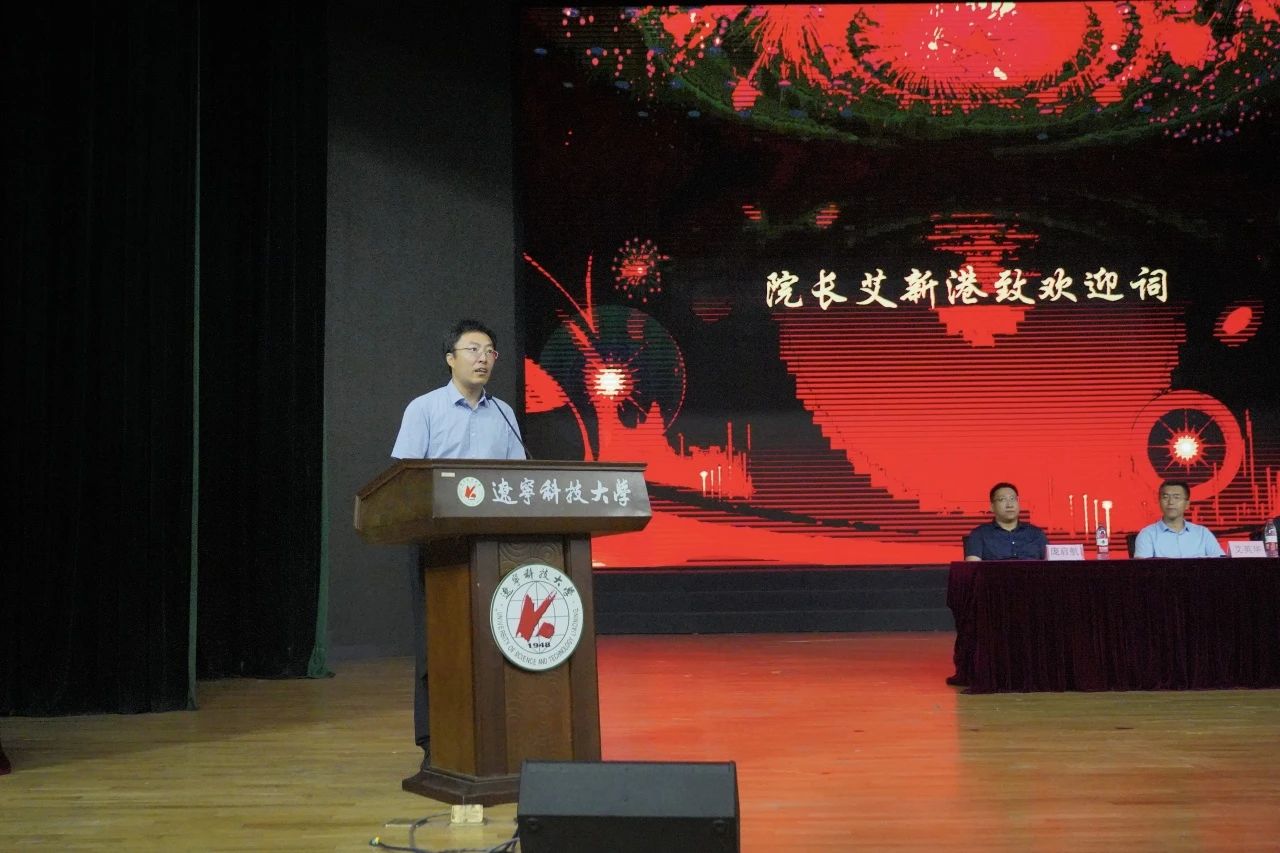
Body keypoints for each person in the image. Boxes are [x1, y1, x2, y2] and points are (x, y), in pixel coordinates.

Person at [391, 319, 526, 774]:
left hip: (492, 548)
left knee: (492, 644)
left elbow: (520, 480)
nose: (483, 358)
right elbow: (405, 482)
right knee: (438, 646)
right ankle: (435, 744)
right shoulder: (424, 409)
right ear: (450, 358)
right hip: (437, 547)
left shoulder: (503, 413)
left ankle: (493, 739)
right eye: (472, 349)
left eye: (489, 351)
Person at [1132, 480, 1224, 559]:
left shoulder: (1203, 533)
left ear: (1187, 504)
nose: (1171, 502)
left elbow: (1222, 564)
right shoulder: (1147, 535)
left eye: (1176, 497)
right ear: (1159, 502)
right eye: (1165, 497)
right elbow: (1143, 570)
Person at [963, 482, 1047, 561]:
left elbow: (1050, 567)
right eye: (1002, 499)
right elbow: (972, 568)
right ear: (992, 507)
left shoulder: (1036, 534)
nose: (1009, 505)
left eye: (1012, 499)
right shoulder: (979, 534)